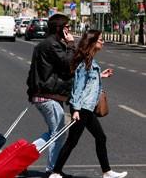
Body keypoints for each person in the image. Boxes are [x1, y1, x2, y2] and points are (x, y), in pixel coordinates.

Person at [50, 30, 127, 178]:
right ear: (92, 42)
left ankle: (107, 172)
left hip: (86, 107)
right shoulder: (85, 61)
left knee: (100, 137)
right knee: (72, 141)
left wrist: (101, 75)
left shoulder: (89, 60)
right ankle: (55, 172)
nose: (103, 42)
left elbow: (87, 81)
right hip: (82, 107)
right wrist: (76, 110)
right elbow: (78, 87)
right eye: (100, 40)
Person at [26, 13, 75, 176]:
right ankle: (53, 170)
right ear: (59, 28)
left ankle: (23, 158)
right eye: (67, 27)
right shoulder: (52, 45)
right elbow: (68, 64)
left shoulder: (47, 44)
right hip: (47, 95)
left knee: (55, 132)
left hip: (44, 94)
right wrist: (72, 44)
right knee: (58, 133)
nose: (69, 30)